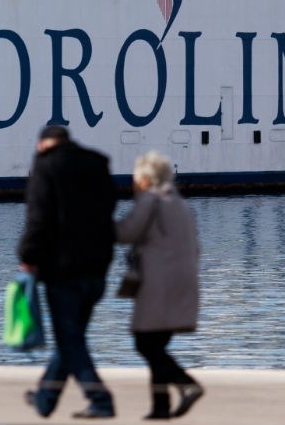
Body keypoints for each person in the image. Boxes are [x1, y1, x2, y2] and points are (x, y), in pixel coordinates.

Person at [17, 125, 118, 419]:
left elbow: (39, 216)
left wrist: (27, 256)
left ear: (43, 145)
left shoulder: (47, 167)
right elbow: (109, 209)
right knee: (71, 338)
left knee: (69, 339)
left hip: (64, 269)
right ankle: (45, 399)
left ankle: (100, 399)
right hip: (98, 267)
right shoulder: (97, 163)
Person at [115, 151, 203, 420]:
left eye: (135, 177)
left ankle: (186, 384)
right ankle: (160, 407)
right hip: (184, 283)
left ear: (144, 179)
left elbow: (126, 233)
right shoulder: (180, 203)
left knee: (145, 343)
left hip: (159, 284)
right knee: (156, 343)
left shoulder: (151, 200)